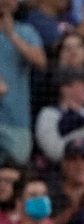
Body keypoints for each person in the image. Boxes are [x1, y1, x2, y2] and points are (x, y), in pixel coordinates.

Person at [0, 0, 47, 166]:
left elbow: (40, 61)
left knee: (16, 174)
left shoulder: (25, 31)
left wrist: (11, 35)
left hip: (16, 121)